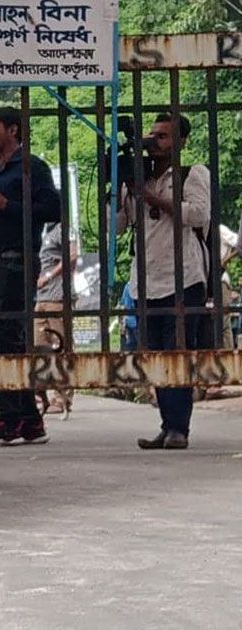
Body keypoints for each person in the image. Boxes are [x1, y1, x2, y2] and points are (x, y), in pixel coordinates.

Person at [0, 107, 62, 446]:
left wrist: (6, 204)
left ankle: (10, 418)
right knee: (6, 341)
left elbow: (54, 209)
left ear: (13, 130)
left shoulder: (31, 168)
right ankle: (29, 419)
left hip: (17, 262)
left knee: (10, 340)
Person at [118, 113, 211, 450]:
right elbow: (117, 226)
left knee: (178, 356)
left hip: (183, 279)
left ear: (181, 142)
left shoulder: (191, 174)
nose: (154, 143)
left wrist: (152, 198)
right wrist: (120, 189)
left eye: (163, 137)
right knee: (156, 357)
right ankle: (167, 425)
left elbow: (200, 214)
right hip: (145, 281)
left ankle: (179, 429)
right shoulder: (137, 176)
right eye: (152, 136)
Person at [33, 222, 77, 416]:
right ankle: (42, 395)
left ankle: (63, 397)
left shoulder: (64, 228)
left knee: (62, 347)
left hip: (57, 297)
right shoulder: (43, 230)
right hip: (41, 297)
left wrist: (49, 276)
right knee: (39, 347)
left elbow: (73, 255)